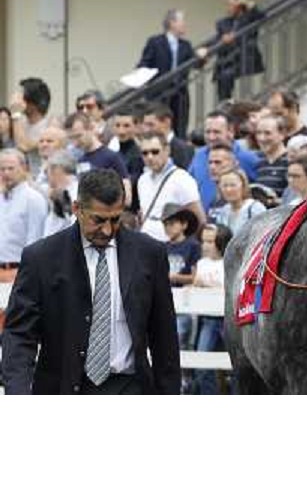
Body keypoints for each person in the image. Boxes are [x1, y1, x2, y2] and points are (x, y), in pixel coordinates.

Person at [2, 168, 181, 394]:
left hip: (130, 388)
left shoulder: (149, 254)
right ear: (77, 209)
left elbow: (164, 336)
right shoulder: (41, 258)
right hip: (61, 390)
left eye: (115, 219)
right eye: (98, 220)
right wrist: (17, 393)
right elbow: (19, 334)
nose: (107, 230)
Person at [138, 9, 202, 138]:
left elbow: (195, 65)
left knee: (179, 128)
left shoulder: (186, 45)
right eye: (182, 21)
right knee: (156, 127)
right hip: (158, 93)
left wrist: (201, 57)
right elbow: (144, 63)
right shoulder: (155, 42)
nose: (185, 24)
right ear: (172, 23)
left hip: (180, 93)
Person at [161, 202, 201, 392]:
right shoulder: (162, 247)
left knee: (182, 339)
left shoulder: (193, 246)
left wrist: (173, 277)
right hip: (166, 301)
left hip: (186, 301)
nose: (168, 228)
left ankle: (185, 381)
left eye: (172, 223)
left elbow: (196, 276)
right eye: (166, 224)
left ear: (183, 224)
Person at [137, 132, 205, 242]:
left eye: (155, 152)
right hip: (145, 242)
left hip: (170, 246)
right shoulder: (142, 180)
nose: (150, 157)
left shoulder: (181, 178)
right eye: (145, 153)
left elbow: (198, 219)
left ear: (167, 150)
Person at [188, 110, 259, 212]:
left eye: (216, 132)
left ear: (230, 132)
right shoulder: (198, 155)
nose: (211, 137)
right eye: (208, 132)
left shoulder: (247, 158)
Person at [199, 0, 265, 102]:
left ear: (239, 6)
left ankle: (226, 104)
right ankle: (224, 105)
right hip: (228, 60)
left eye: (231, 5)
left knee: (226, 74)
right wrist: (204, 49)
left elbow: (261, 17)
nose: (228, 8)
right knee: (223, 74)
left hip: (244, 58)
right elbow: (218, 39)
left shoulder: (249, 17)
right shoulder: (224, 23)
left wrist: (247, 3)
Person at [193, 223, 233, 395]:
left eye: (210, 242)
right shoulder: (201, 263)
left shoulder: (230, 262)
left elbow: (230, 287)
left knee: (236, 365)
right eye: (204, 241)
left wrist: (206, 284)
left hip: (229, 320)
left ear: (221, 241)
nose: (205, 246)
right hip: (207, 319)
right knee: (201, 364)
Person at [65, 112, 132, 208]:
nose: (75, 143)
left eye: (78, 136)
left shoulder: (111, 157)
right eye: (71, 138)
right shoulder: (80, 160)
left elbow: (127, 197)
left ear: (91, 129)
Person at [0, 149, 47, 275]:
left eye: (11, 168)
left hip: (19, 270)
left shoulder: (33, 199)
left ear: (24, 168)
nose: (6, 173)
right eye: (2, 169)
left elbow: (35, 241)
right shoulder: (1, 198)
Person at [9, 77, 52, 176]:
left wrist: (16, 113)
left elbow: (23, 146)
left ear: (34, 102)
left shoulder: (50, 125)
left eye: (22, 98)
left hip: (43, 179)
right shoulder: (21, 122)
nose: (17, 101)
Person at [212, 168, 266, 235]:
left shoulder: (255, 208)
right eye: (225, 186)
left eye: (233, 185)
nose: (228, 190)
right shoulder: (224, 211)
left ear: (243, 186)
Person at [142, 102, 194, 169]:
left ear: (166, 122)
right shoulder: (144, 146)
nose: (146, 130)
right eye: (145, 125)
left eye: (151, 125)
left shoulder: (183, 149)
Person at [43, 150, 79, 238]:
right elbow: (52, 229)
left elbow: (76, 228)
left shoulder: (77, 192)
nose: (46, 176)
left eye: (46, 171)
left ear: (56, 169)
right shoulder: (60, 193)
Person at [255, 115, 289, 198]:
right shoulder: (259, 161)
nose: (262, 138)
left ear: (282, 134)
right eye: (258, 133)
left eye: (267, 133)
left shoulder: (290, 161)